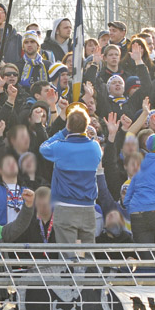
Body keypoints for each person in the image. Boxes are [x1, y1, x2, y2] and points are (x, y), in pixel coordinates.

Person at [39, 103, 102, 244]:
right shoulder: (95, 147)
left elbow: (43, 148)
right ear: (86, 126)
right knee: (88, 254)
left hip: (65, 206)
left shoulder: (60, 147)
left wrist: (63, 132)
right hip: (88, 207)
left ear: (68, 125)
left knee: (67, 255)